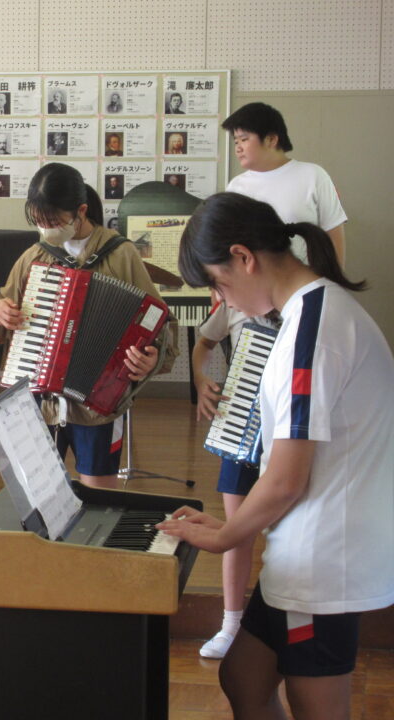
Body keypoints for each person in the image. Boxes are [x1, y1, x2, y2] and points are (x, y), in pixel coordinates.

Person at [160, 192, 393, 720]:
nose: (222, 300)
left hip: (324, 558)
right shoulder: (309, 312)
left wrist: (225, 537)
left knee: (316, 707)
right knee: (243, 677)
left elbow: (288, 477)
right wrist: (230, 527)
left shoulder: (313, 328)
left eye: (218, 284)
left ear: (243, 258)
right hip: (305, 547)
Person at [0, 163, 176, 489]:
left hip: (100, 402)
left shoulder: (121, 254)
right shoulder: (34, 257)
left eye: (53, 221)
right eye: (39, 221)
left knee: (100, 489)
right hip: (39, 398)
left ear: (81, 211)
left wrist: (152, 357)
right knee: (41, 488)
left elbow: (160, 323)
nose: (46, 229)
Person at [191, 296, 281, 660]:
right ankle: (231, 624)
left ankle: (281, 621)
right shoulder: (232, 302)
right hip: (240, 424)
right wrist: (200, 380)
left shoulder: (300, 302)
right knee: (237, 528)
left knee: (287, 532)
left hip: (287, 427)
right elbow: (204, 343)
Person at [222, 102, 347, 265]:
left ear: (271, 139)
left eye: (244, 139)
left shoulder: (314, 175)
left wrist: (333, 278)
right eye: (236, 142)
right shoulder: (236, 187)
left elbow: (334, 235)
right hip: (254, 280)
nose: (238, 148)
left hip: (307, 278)